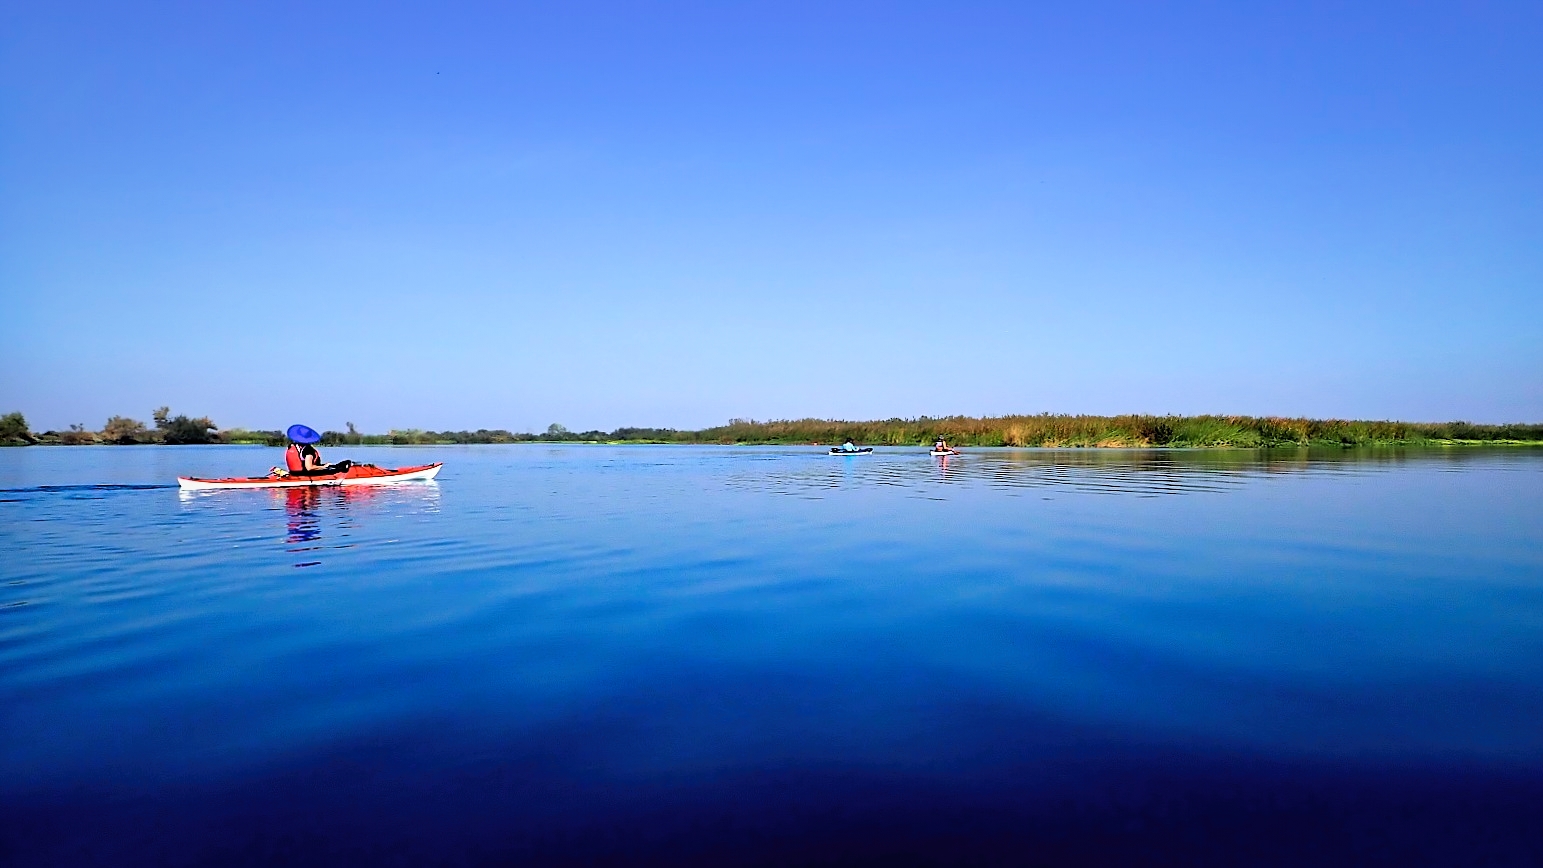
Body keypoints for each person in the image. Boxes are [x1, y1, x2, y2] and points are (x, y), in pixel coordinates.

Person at [279, 424, 352, 476]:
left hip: (294, 473)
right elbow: (309, 467)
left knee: (336, 465)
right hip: (305, 474)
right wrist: (324, 467)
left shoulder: (292, 446)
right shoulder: (308, 450)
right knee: (345, 464)